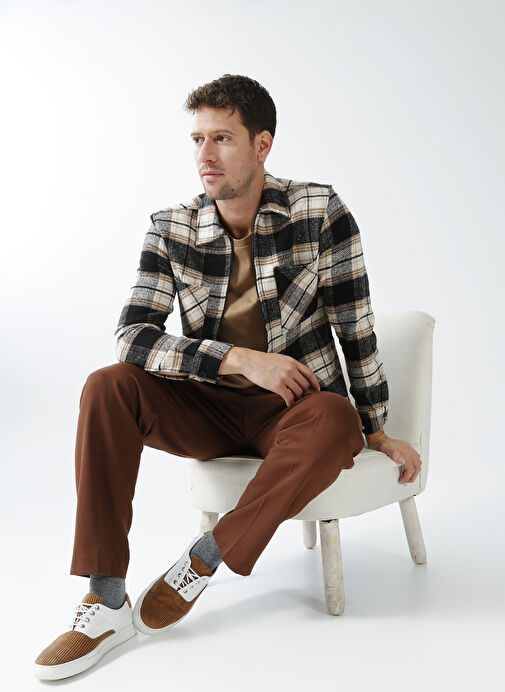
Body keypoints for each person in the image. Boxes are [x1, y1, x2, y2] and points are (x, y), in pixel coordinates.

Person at [33, 73, 421, 680]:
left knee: (335, 418)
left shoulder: (319, 212)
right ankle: (105, 600)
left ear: (262, 144)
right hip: (207, 407)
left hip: (293, 411)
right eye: (197, 140)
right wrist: (238, 359)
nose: (205, 155)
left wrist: (376, 429)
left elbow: (355, 325)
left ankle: (203, 559)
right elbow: (132, 337)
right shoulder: (171, 226)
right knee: (106, 385)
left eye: (222, 138)